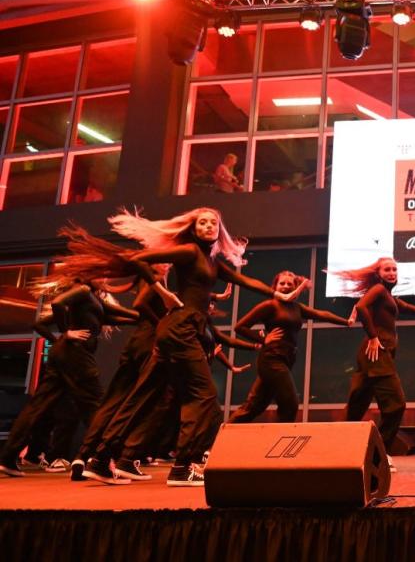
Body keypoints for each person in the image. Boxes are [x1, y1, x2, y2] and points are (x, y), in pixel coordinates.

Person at [80, 207, 305, 486]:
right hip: (180, 329)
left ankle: (102, 459)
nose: (209, 226)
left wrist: (278, 293)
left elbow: (246, 280)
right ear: (193, 227)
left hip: (176, 329)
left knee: (145, 395)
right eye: (203, 222)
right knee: (204, 395)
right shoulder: (188, 251)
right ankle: (183, 466)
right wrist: (161, 291)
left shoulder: (212, 262)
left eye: (214, 222)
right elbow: (139, 259)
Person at [1, 274, 138, 477]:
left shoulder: (93, 300)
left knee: (38, 407)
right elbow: (57, 303)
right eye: (102, 275)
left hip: (65, 354)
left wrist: (146, 315)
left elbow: (117, 315)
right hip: (76, 354)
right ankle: (100, 459)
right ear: (88, 275)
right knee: (95, 405)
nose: (106, 279)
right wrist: (66, 333)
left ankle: (8, 458)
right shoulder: (82, 291)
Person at [335, 258, 415, 471]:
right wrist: (372, 336)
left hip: (374, 356)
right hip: (377, 354)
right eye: (387, 269)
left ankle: (337, 451)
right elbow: (361, 307)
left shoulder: (389, 297)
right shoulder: (379, 290)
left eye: (394, 269)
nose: (392, 272)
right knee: (396, 405)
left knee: (356, 407)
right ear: (379, 274)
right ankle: (378, 456)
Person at [230, 271, 350, 424]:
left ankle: (220, 441)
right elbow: (240, 327)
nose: (286, 286)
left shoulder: (296, 307)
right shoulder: (270, 305)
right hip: (271, 359)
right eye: (282, 283)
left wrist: (346, 321)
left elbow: (321, 314)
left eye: (290, 284)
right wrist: (263, 339)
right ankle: (279, 442)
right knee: (290, 404)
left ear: (295, 286)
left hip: (286, 359)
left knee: (253, 406)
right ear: (275, 287)